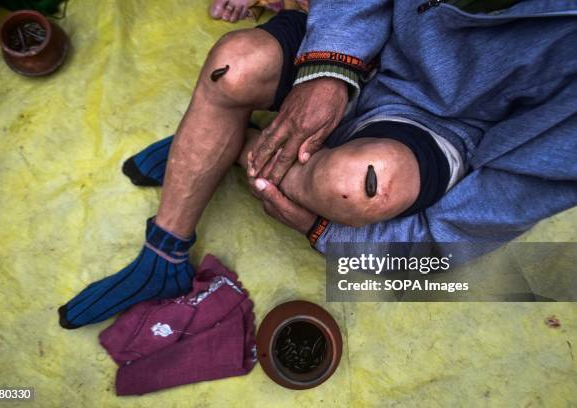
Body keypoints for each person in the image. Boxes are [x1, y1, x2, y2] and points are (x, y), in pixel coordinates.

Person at [59, 1, 577, 329]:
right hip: (368, 35)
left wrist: (321, 230)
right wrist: (330, 67)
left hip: (445, 121)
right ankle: (164, 256)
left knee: (357, 187)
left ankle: (221, 143)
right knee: (232, 68)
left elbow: (449, 247)